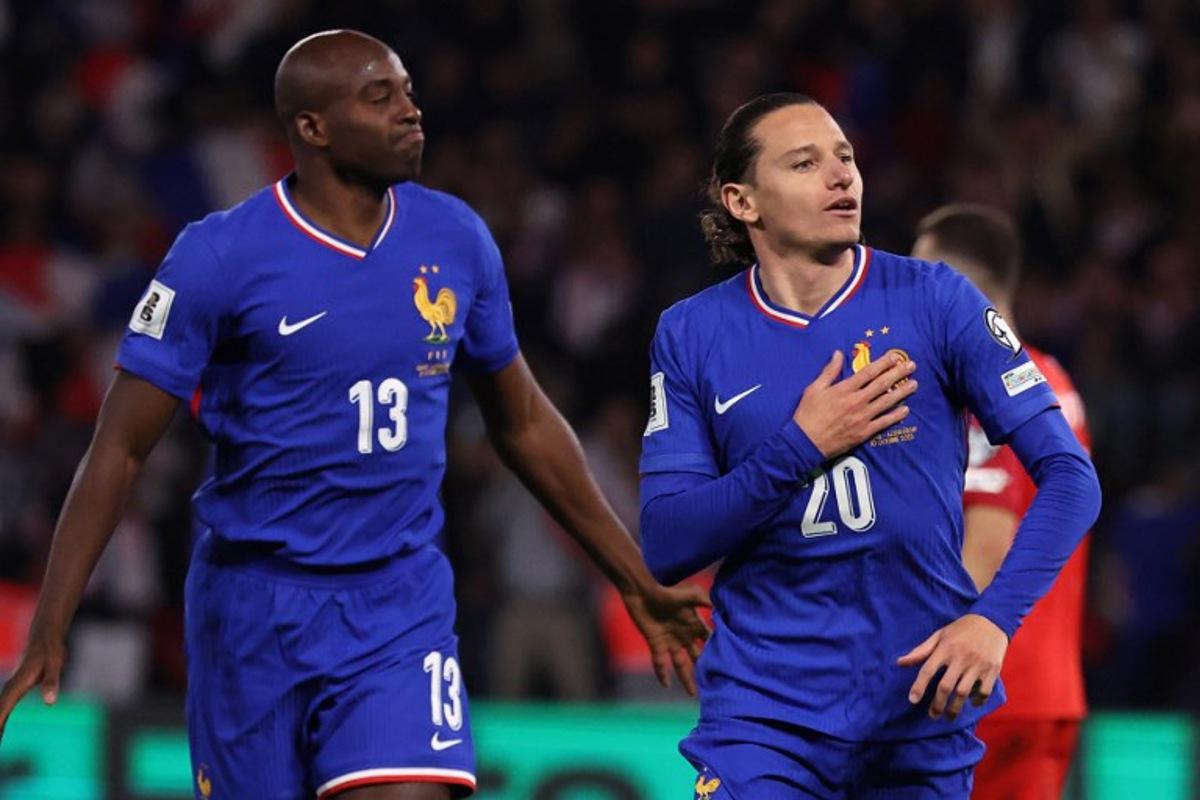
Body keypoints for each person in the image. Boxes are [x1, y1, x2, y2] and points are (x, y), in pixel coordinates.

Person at [0, 30, 710, 800]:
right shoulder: (219, 257)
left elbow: (526, 423)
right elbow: (121, 450)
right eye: (381, 98)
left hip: (398, 606)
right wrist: (51, 619)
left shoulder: (455, 239)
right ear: (312, 127)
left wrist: (632, 576)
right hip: (255, 611)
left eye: (407, 90)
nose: (412, 111)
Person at [638, 92, 1101, 798]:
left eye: (846, 158)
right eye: (805, 162)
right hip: (765, 718)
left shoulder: (936, 299)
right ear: (743, 200)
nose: (841, 176)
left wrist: (992, 619)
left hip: (919, 710)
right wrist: (803, 443)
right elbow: (668, 541)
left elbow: (1071, 476)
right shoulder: (692, 333)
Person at [912, 204, 1091, 800]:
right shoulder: (1053, 378)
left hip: (978, 693)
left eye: (921, 277)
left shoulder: (996, 389)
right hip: (1041, 690)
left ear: (953, 287)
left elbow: (986, 543)